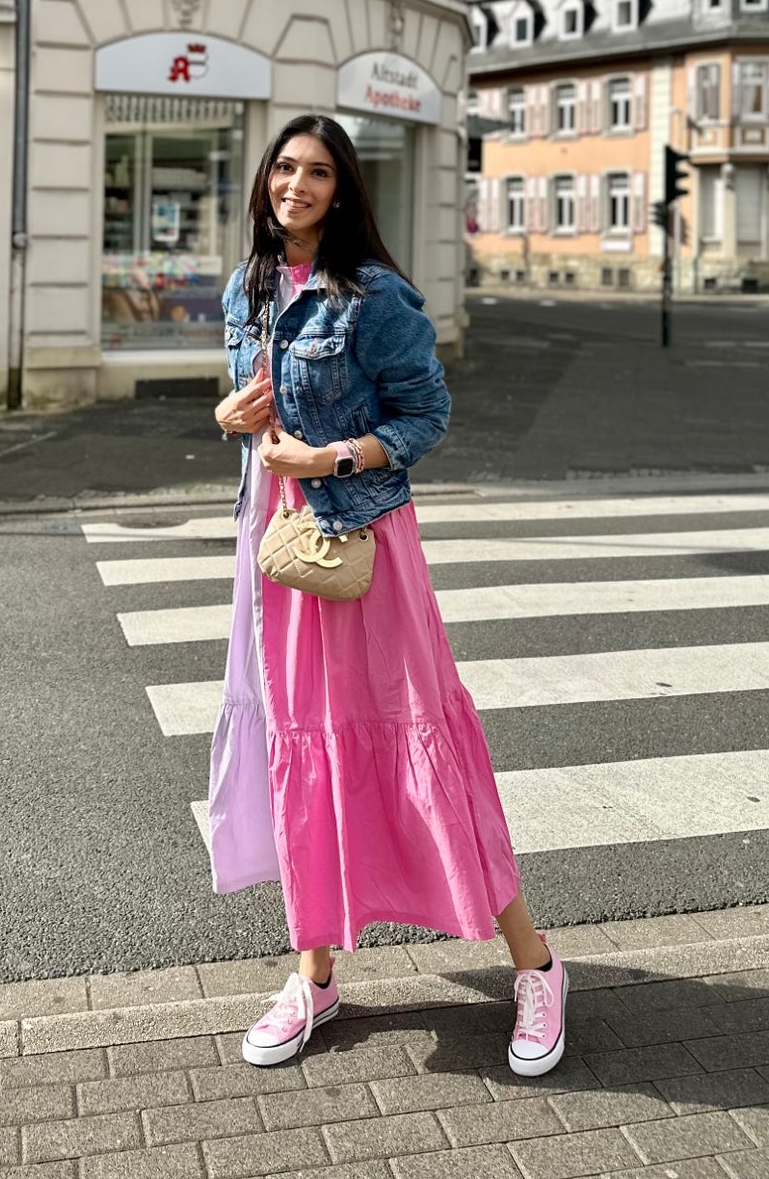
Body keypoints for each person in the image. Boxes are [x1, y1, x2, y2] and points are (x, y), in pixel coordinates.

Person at [209, 113, 566, 1076]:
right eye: (283, 167)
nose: (295, 184)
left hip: (359, 536)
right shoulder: (247, 283)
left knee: (417, 734)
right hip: (278, 543)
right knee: (305, 744)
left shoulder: (373, 295)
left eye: (316, 171)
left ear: (342, 188)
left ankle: (535, 963)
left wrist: (328, 454)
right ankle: (315, 973)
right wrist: (229, 414)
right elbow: (242, 397)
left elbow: (426, 415)